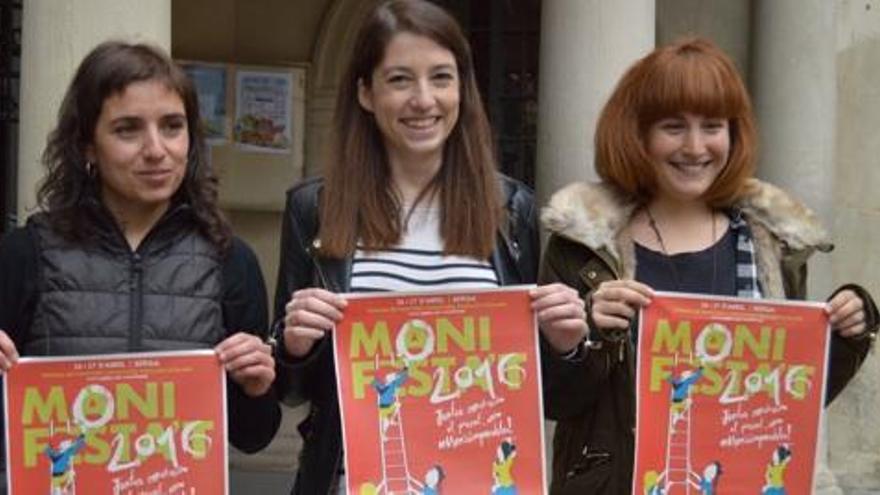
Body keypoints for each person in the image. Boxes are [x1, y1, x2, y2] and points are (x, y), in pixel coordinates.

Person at [537, 38, 878, 494]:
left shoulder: (769, 246)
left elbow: (787, 402)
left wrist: (849, 330)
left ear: (733, 134)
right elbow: (557, 401)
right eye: (673, 126)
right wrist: (584, 340)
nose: (695, 146)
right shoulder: (581, 247)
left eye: (712, 125)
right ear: (637, 133)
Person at [271, 1, 585, 493]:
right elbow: (289, 394)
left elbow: (543, 396)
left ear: (462, 89)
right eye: (399, 80)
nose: (424, 99)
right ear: (366, 93)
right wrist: (293, 347)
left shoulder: (511, 209)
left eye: (441, 77)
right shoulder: (315, 207)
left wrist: (563, 346)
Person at [0, 41, 281, 483]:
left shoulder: (230, 259)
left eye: (172, 126)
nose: (156, 150)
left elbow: (254, 436)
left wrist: (257, 386)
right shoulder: (26, 253)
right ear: (87, 145)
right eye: (128, 130)